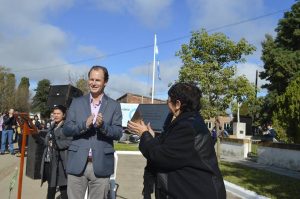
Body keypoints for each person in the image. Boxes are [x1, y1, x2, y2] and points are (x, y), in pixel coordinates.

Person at [128, 82, 226, 199]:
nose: (167, 104)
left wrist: (144, 134)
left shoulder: (187, 127)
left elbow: (160, 157)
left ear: (178, 104)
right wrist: (152, 137)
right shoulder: (188, 122)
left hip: (196, 193)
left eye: (168, 101)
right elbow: (171, 148)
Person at [63, 65, 123, 199]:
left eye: (98, 80)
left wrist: (103, 126)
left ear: (105, 82)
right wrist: (84, 125)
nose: (93, 83)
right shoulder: (76, 103)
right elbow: (66, 129)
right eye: (91, 79)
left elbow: (119, 132)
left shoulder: (114, 105)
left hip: (101, 165)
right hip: (77, 163)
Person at [37, 105, 72, 199]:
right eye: (54, 113)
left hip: (61, 162)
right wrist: (35, 136)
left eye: (58, 113)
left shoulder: (67, 126)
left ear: (64, 114)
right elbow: (47, 141)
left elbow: (70, 141)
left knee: (63, 189)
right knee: (51, 187)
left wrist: (56, 144)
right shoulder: (52, 126)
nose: (55, 115)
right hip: (49, 161)